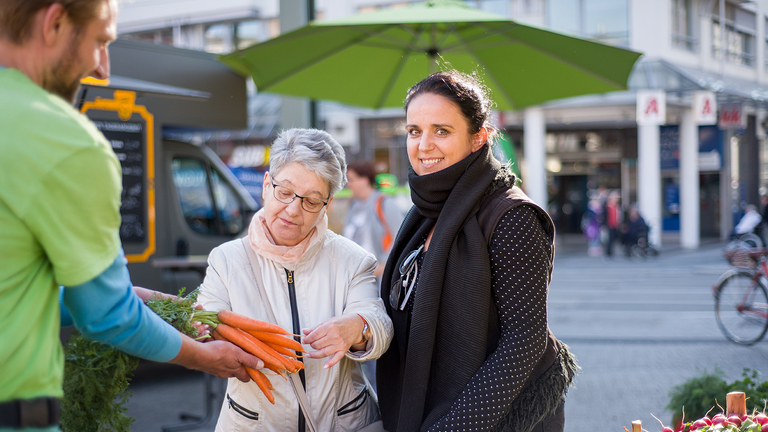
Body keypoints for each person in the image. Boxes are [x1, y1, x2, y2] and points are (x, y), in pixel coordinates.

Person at [0, 1, 263, 429]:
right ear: (55, 23)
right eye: (101, 42)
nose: (102, 69)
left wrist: (141, 296)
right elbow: (107, 315)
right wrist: (203, 356)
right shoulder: (65, 141)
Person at [377, 70, 578, 432]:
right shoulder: (423, 213)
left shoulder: (511, 216)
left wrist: (454, 428)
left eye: (442, 130)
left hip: (494, 420)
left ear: (478, 138)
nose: (423, 145)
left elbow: (525, 340)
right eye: (414, 131)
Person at [198, 128, 393, 431]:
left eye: (311, 201)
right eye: (285, 192)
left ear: (327, 205)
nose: (293, 210)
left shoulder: (352, 260)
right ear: (266, 185)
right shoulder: (225, 260)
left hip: (342, 422)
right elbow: (206, 324)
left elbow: (379, 323)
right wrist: (207, 338)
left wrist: (358, 327)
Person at [343, 160, 405, 279]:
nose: (348, 184)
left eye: (351, 179)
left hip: (379, 278)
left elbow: (400, 237)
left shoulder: (384, 203)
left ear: (364, 180)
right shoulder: (353, 206)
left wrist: (382, 267)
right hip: (357, 277)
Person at [602, 190, 622, 258]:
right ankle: (608, 253)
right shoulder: (607, 206)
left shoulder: (617, 207)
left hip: (616, 225)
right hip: (609, 225)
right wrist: (603, 225)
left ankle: (612, 251)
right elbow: (604, 216)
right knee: (609, 240)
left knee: (614, 239)